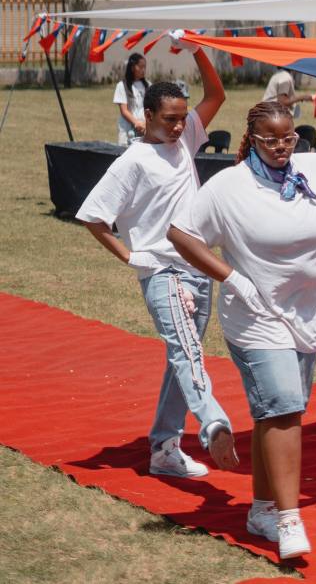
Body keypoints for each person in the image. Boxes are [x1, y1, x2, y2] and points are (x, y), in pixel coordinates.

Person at [167, 89, 316, 560]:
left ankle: (262, 507)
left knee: (279, 413)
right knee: (284, 406)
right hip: (254, 316)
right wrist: (229, 276)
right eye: (270, 141)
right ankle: (289, 519)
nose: (282, 148)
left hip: (305, 313)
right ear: (252, 139)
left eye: (288, 139)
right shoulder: (230, 186)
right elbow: (179, 232)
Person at [76, 31, 237, 479]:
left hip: (199, 268)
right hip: (162, 272)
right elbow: (93, 217)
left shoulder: (185, 141)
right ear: (146, 116)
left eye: (183, 118)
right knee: (187, 354)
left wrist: (196, 50)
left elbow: (217, 93)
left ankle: (164, 448)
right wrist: (131, 259)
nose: (180, 126)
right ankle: (213, 424)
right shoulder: (130, 163)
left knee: (181, 356)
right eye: (170, 119)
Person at [113, 53, 149, 146]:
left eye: (144, 67)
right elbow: (124, 111)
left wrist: (145, 124)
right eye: (140, 67)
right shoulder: (122, 86)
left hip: (144, 127)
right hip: (128, 128)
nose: (143, 70)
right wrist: (137, 123)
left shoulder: (148, 85)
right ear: (132, 67)